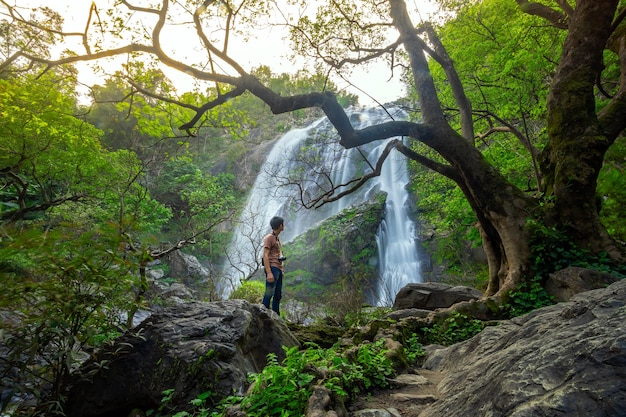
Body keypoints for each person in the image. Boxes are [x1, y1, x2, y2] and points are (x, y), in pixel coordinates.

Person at [262, 216, 285, 315]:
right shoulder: (269, 238)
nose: (284, 226)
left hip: (278, 269)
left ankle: (276, 317)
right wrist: (269, 272)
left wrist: (281, 270)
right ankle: (262, 315)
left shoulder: (277, 239)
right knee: (269, 293)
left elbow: (277, 254)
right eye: (283, 224)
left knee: (278, 295)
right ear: (280, 225)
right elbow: (265, 255)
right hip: (272, 268)